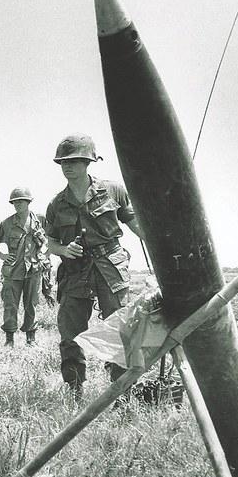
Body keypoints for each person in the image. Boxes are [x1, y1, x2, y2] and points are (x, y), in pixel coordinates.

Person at [44, 134, 144, 398]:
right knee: (70, 332)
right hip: (75, 271)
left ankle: (122, 393)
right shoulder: (56, 204)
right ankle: (75, 389)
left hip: (110, 268)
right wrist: (64, 250)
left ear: (89, 162)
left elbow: (137, 225)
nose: (68, 166)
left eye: (76, 160)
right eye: (64, 161)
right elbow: (49, 242)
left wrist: (161, 237)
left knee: (120, 330)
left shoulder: (112, 190)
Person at [0, 187, 49, 347]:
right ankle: (9, 339)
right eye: (15, 202)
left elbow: (55, 238)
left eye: (21, 201)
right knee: (10, 306)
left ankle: (31, 339)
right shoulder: (7, 224)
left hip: (34, 269)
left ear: (28, 202)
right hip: (13, 271)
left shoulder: (40, 220)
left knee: (32, 304)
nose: (17, 204)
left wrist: (45, 256)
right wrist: (3, 256)